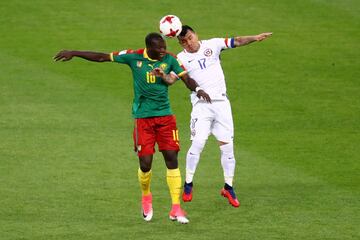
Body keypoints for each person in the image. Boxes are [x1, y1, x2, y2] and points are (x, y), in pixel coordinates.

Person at [53, 32, 211, 224]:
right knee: (145, 163)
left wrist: (198, 89)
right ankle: (146, 198)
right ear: (149, 48)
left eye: (163, 46)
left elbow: (186, 79)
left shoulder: (170, 59)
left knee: (172, 159)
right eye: (159, 48)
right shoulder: (133, 57)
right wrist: (74, 52)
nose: (163, 50)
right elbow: (103, 57)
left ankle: (176, 209)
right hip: (143, 120)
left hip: (165, 118)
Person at [176, 25, 272, 207]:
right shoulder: (180, 58)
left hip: (222, 105)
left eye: (189, 38)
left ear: (195, 34)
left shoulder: (214, 44)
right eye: (183, 41)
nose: (188, 43)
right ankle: (188, 183)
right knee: (197, 143)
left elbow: (237, 41)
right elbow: (171, 79)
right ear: (180, 43)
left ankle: (228, 187)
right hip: (201, 107)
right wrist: (159, 75)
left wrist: (255, 37)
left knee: (227, 147)